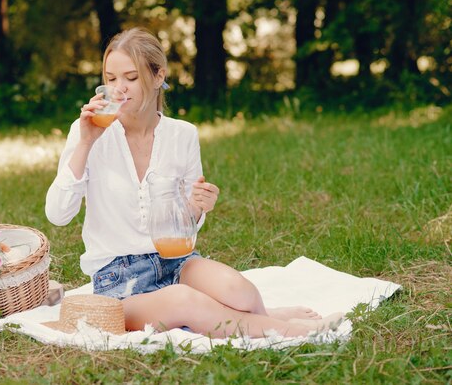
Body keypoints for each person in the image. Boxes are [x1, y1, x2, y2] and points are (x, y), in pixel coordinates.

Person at [45, 27, 343, 338]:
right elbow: (58, 214)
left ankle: (262, 316)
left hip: (177, 262)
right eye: (110, 78)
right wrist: (85, 143)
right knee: (186, 302)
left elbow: (184, 226)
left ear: (159, 75)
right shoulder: (88, 132)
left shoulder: (183, 134)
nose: (119, 88)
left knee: (240, 291)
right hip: (120, 281)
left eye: (131, 78)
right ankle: (288, 330)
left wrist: (198, 208)